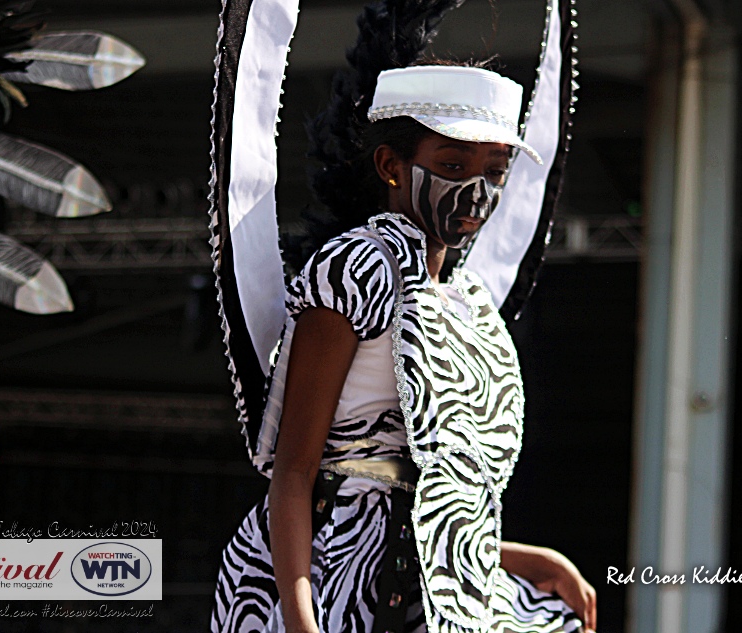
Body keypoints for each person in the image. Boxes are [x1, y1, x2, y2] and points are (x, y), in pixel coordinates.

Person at [211, 63, 596, 633]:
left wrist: (518, 558)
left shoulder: (468, 299)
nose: (476, 189)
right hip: (335, 583)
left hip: (430, 590)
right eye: (451, 166)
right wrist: (301, 626)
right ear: (392, 166)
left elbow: (428, 505)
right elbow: (294, 471)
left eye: (495, 170)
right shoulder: (357, 267)